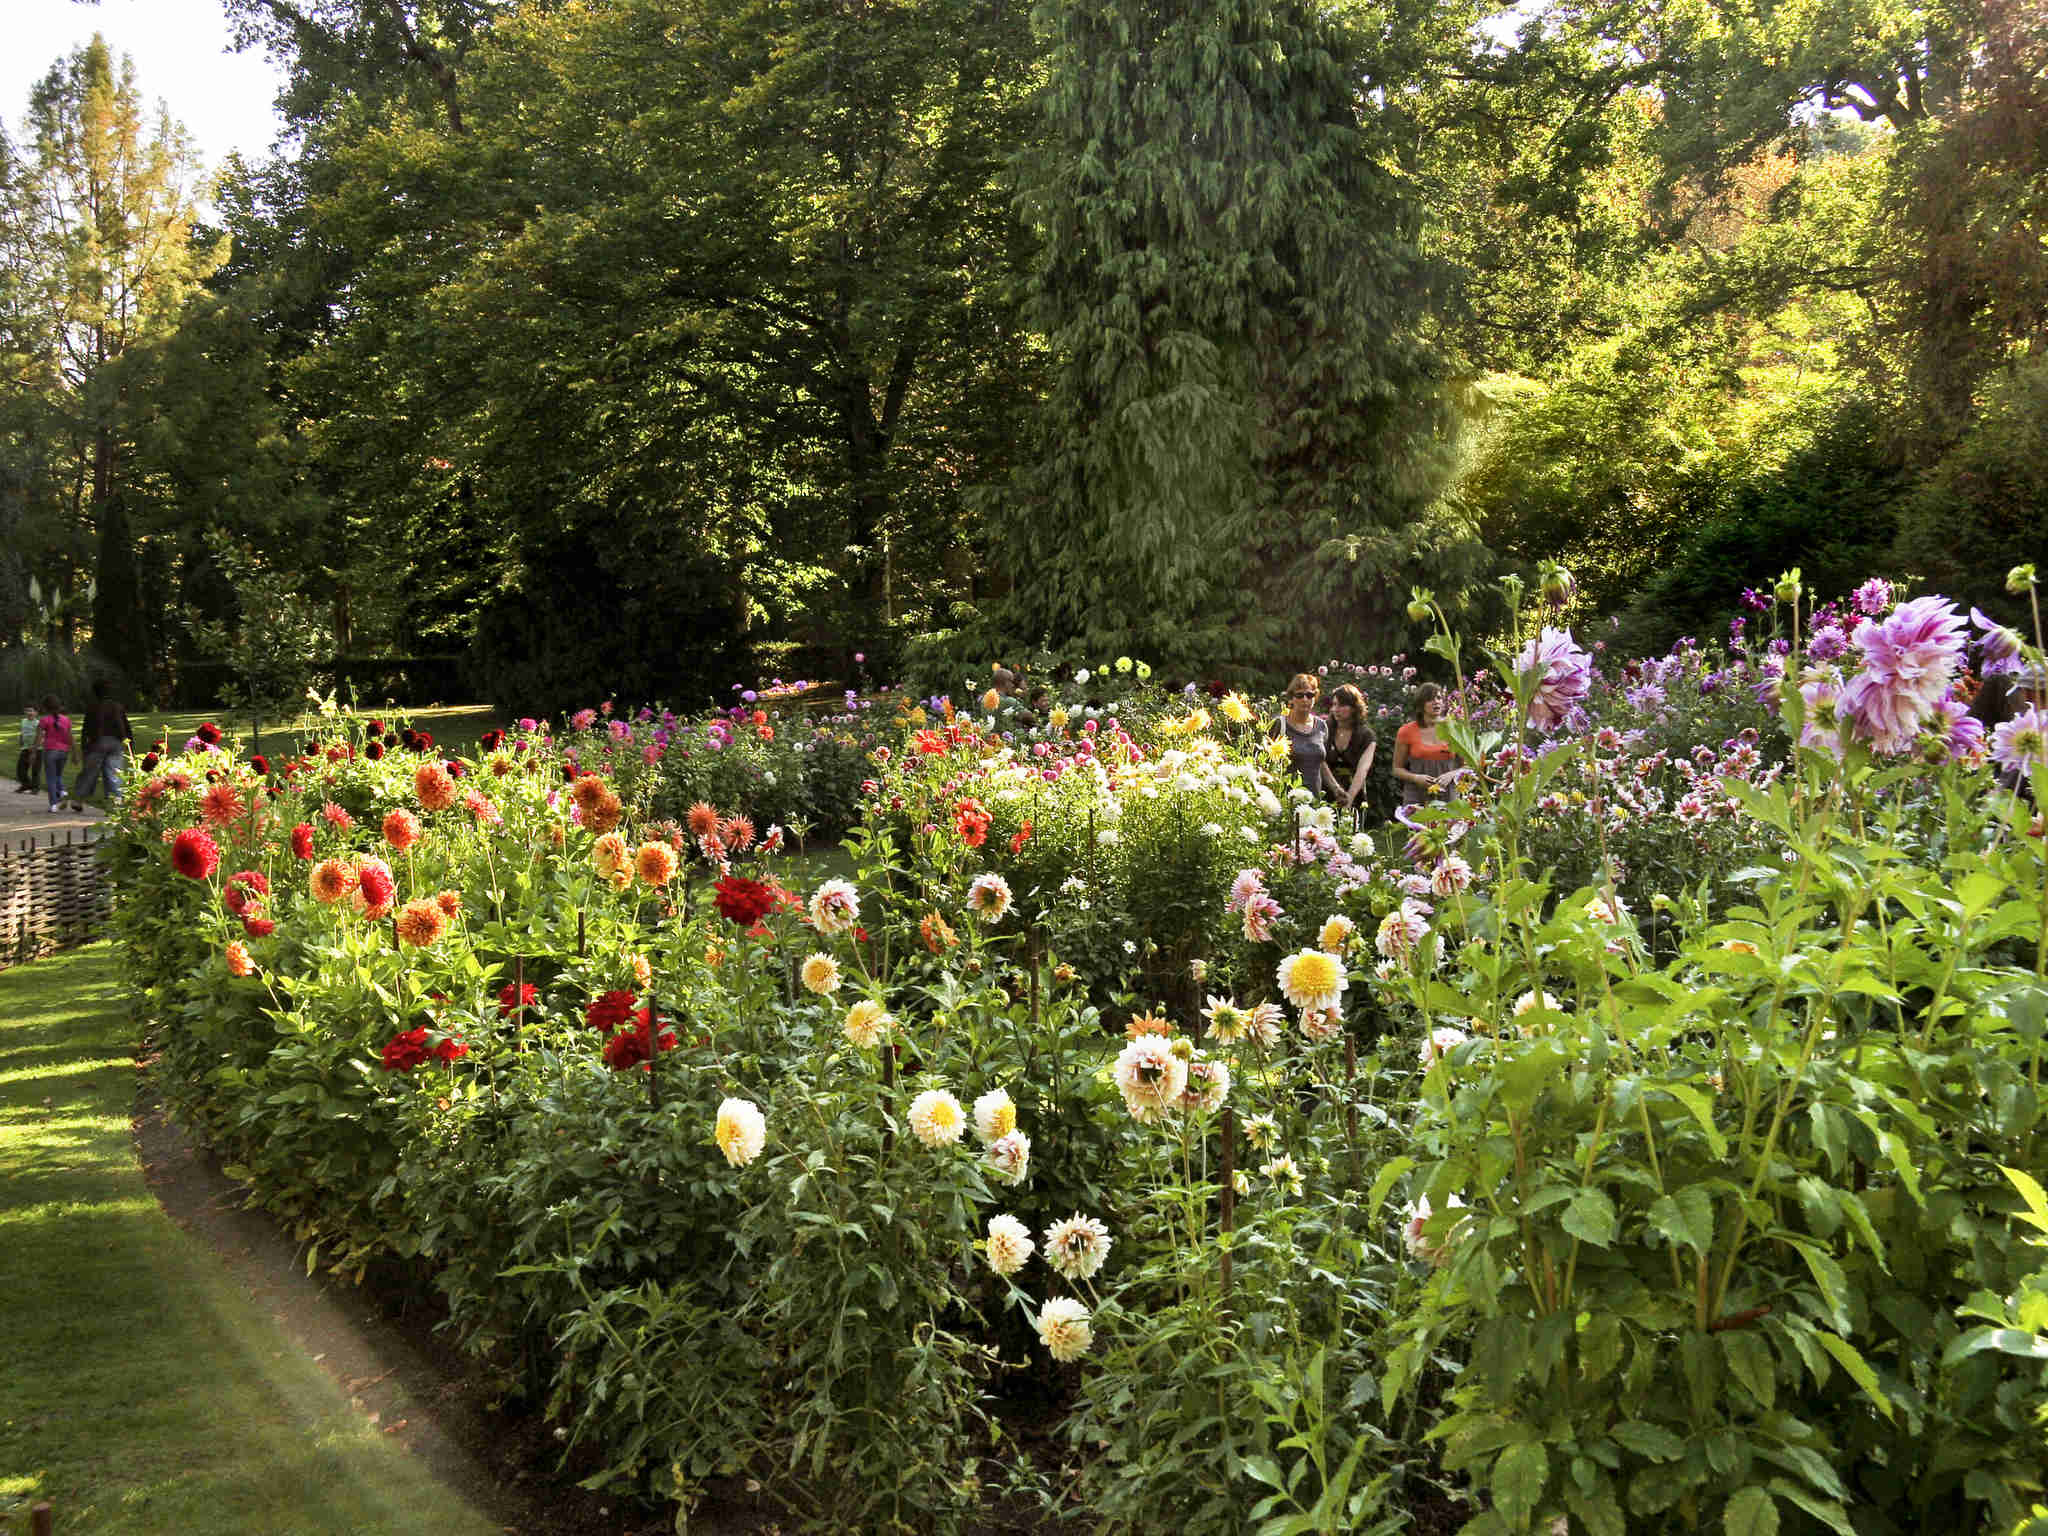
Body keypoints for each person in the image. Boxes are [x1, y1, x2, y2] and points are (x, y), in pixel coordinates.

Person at [69, 678, 132, 809]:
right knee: (114, 772)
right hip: (116, 742)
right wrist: (129, 741)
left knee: (89, 772)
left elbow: (86, 728)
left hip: (97, 742)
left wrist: (84, 747)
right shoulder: (117, 706)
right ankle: (117, 802)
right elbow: (126, 725)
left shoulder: (93, 707)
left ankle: (79, 800)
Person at [1392, 682, 1457, 806]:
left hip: (1448, 796)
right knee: (1417, 825)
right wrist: (1416, 778)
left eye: (1438, 698)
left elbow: (1468, 767)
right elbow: (1397, 769)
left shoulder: (1454, 729)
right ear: (1421, 705)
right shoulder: (1406, 731)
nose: (1436, 702)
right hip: (1416, 797)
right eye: (1430, 699)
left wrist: (1452, 774)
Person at [1321, 683, 1377, 825]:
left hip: (1353, 792)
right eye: (1334, 705)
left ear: (1354, 707)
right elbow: (1320, 760)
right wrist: (1335, 788)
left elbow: (1362, 770)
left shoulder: (1366, 736)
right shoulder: (1324, 729)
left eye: (1341, 705)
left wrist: (1349, 799)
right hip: (1325, 790)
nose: (1336, 710)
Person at [1266, 672, 1329, 794]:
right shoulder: (1279, 724)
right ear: (1291, 698)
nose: (1305, 699)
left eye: (1310, 695)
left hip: (1313, 802)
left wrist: (1336, 789)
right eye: (1299, 695)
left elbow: (1320, 762)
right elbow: (1265, 762)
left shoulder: (1321, 726)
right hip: (1285, 800)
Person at [37, 694, 73, 814]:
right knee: (58, 775)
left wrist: (33, 751)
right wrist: (74, 752)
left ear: (45, 707)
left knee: (51, 779)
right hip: (64, 752)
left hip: (50, 751)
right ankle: (62, 791)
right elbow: (69, 737)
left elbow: (38, 737)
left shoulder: (44, 720)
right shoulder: (66, 720)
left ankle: (54, 805)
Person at [14, 705, 39, 795]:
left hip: (37, 749)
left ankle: (35, 788)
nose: (29, 713)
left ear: (36, 713)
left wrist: (34, 747)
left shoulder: (38, 723)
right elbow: (22, 732)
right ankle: (26, 784)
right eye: (27, 711)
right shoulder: (23, 721)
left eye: (31, 711)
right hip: (25, 748)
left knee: (35, 770)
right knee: (20, 769)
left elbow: (41, 736)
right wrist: (20, 739)